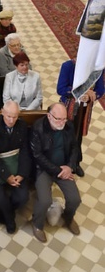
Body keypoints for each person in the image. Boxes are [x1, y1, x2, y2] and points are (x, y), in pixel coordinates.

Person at [30, 103, 81, 243]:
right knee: (45, 200)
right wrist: (58, 170)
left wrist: (69, 167)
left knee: (75, 199)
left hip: (64, 168)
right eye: (58, 119)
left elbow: (74, 148)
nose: (62, 122)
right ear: (49, 116)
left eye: (64, 119)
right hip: (44, 169)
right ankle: (37, 225)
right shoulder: (38, 128)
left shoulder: (68, 126)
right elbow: (38, 156)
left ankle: (68, 217)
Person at [0, 101, 31, 233]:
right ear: (2, 112)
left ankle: (6, 212)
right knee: (0, 199)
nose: (11, 120)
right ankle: (9, 219)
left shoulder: (22, 126)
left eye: (15, 117)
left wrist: (21, 174)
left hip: (17, 167)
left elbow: (25, 151)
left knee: (23, 197)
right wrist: (7, 176)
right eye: (8, 116)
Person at [56, 59, 104, 177]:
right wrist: (82, 92)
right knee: (65, 135)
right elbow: (61, 89)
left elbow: (100, 90)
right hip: (67, 107)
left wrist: (91, 96)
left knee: (77, 137)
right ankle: (61, 162)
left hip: (85, 109)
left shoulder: (97, 70)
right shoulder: (68, 66)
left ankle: (75, 163)